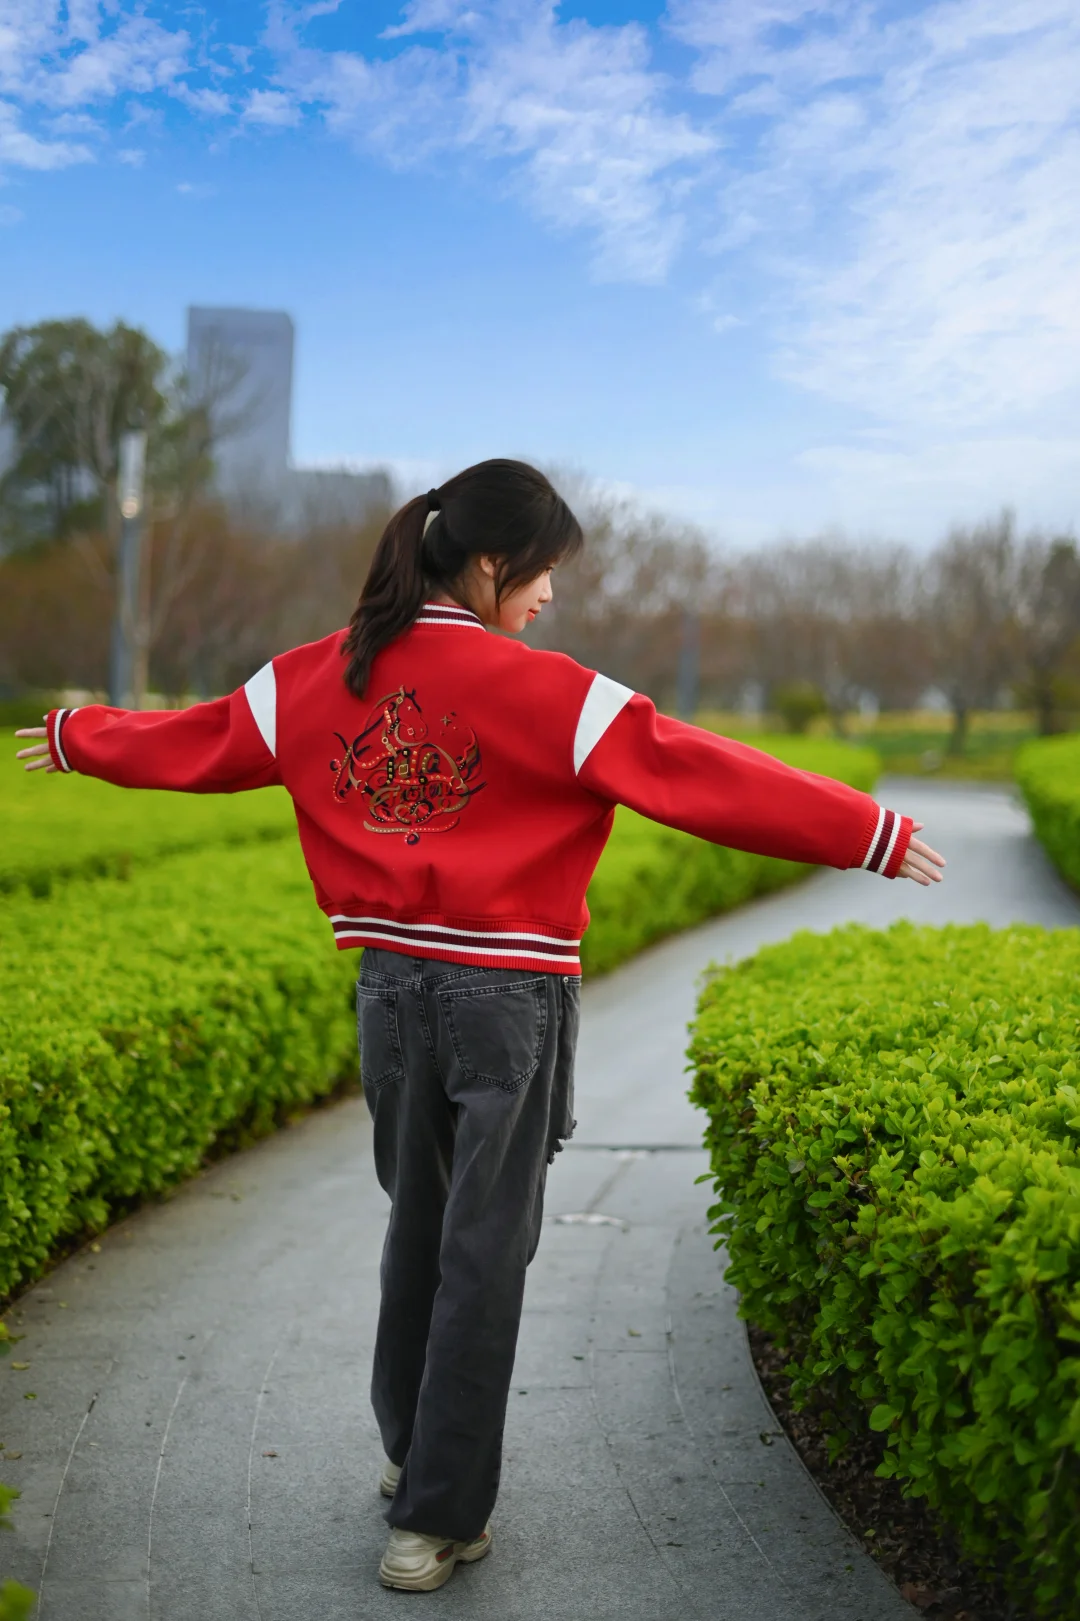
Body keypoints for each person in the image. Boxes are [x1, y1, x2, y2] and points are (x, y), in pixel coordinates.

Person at [16, 458, 945, 1592]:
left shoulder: (317, 673)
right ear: (494, 564)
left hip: (389, 994)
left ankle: (412, 1453)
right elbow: (698, 773)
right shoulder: (555, 695)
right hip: (507, 998)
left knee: (420, 1228)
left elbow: (199, 740)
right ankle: (434, 1519)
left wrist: (82, 736)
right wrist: (867, 831)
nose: (551, 596)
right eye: (544, 571)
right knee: (484, 1255)